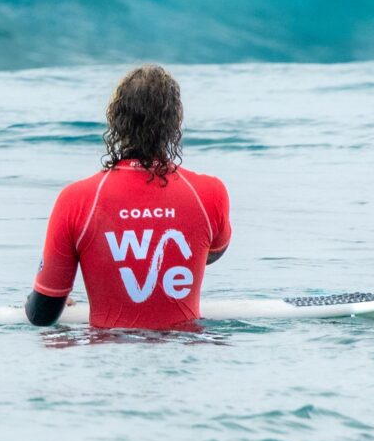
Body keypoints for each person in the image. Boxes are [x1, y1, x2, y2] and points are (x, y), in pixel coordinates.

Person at [25, 64, 231, 329]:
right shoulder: (209, 193)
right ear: (175, 122)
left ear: (115, 122)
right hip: (187, 351)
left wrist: (39, 301)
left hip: (107, 358)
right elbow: (210, 252)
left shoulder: (77, 200)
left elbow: (43, 315)